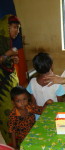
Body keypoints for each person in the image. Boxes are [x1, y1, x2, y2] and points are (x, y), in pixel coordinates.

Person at [0, 15, 21, 144]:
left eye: (18, 28)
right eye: (14, 27)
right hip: (2, 89)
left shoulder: (7, 44)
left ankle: (15, 139)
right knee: (7, 114)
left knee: (15, 111)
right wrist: (8, 54)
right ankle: (10, 142)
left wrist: (13, 60)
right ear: (5, 28)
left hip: (10, 86)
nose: (17, 31)